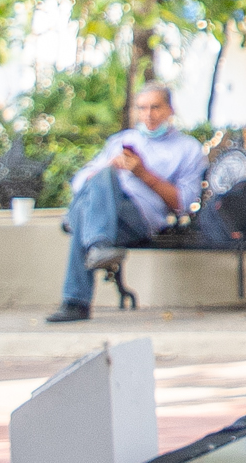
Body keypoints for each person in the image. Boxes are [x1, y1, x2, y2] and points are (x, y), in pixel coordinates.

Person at [40, 86, 205, 325]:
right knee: (102, 177)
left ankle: (76, 301)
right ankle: (99, 244)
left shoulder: (187, 148)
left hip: (140, 218)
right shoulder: (122, 140)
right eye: (142, 108)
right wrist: (109, 167)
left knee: (85, 212)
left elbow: (184, 203)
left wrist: (142, 173)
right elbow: (79, 181)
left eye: (155, 107)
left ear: (170, 110)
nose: (148, 115)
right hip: (106, 216)